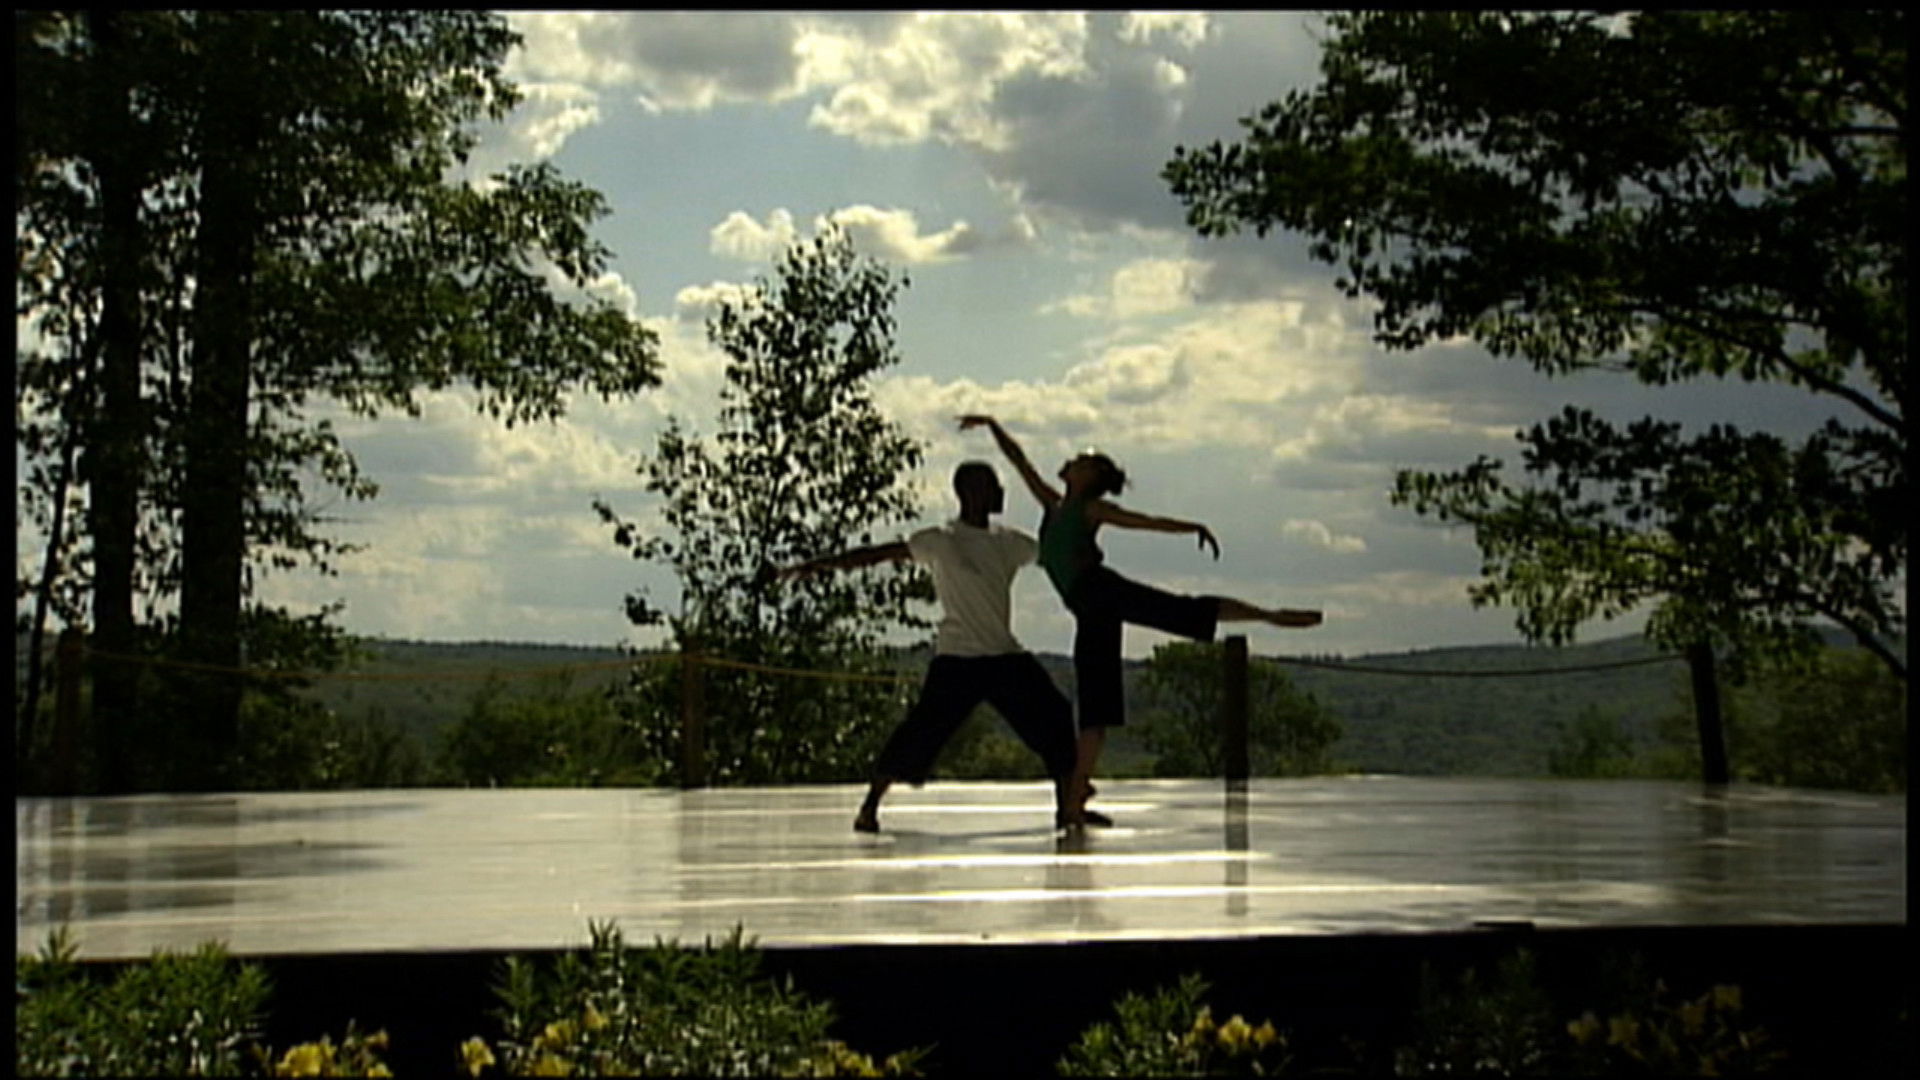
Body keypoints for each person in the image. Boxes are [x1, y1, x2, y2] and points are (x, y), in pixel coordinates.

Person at [960, 414, 1323, 823]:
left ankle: (1270, 616)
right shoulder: (1053, 503)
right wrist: (991, 425)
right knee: (1097, 704)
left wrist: (1192, 527)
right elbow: (1019, 459)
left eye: (1081, 460)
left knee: (1173, 618)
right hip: (1091, 609)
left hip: (1099, 593)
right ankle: (1076, 798)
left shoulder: (1091, 509)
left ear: (1089, 477)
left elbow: (1144, 522)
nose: (1072, 460)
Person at [779, 460, 1099, 833]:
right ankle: (869, 807)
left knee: (1055, 715)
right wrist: (814, 566)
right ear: (973, 493)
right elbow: (878, 554)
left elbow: (1055, 555)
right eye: (993, 486)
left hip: (1003, 657)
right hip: (958, 660)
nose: (1000, 493)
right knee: (919, 731)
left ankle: (1067, 808)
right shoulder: (941, 541)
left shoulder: (1008, 542)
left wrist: (1084, 543)